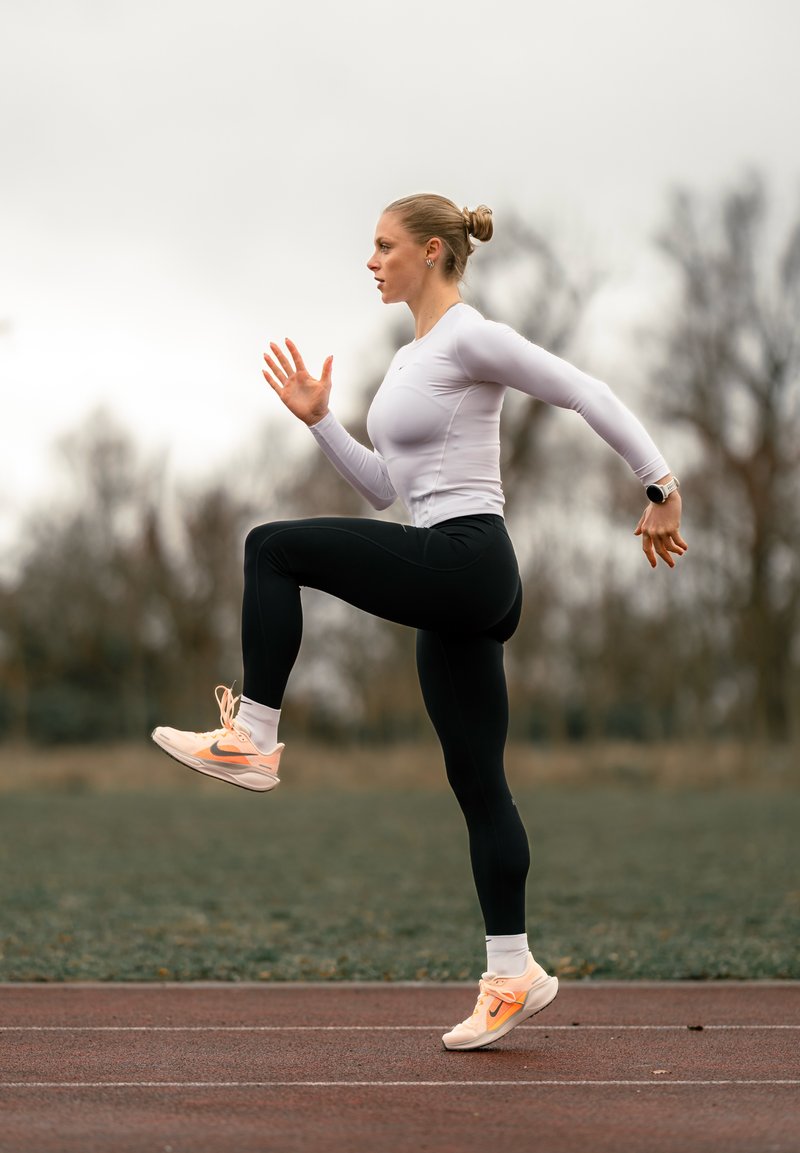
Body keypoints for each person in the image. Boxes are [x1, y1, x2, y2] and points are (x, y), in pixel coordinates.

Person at [152, 193, 686, 1051]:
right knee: (480, 786)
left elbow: (583, 390)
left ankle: (254, 736)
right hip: (456, 575)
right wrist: (321, 422)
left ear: (432, 252)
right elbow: (382, 491)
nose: (371, 261)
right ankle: (513, 972)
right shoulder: (410, 360)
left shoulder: (471, 336)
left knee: (271, 548)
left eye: (384, 246)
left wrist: (660, 483)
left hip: (469, 559)